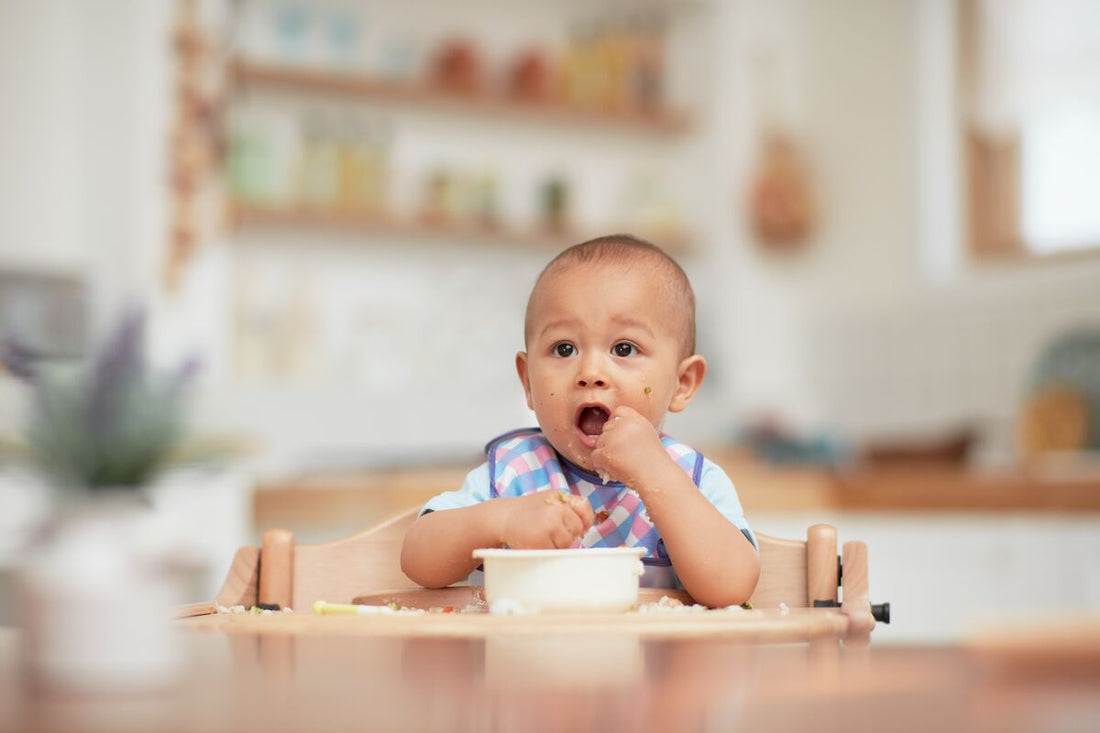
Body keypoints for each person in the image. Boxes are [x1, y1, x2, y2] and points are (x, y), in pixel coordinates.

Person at [401, 234, 759, 607]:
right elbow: (416, 559)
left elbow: (732, 585)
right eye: (564, 349)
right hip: (523, 662)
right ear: (528, 381)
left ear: (682, 384)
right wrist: (503, 519)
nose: (590, 372)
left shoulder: (692, 480)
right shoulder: (514, 473)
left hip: (654, 665)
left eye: (624, 349)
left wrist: (655, 473)